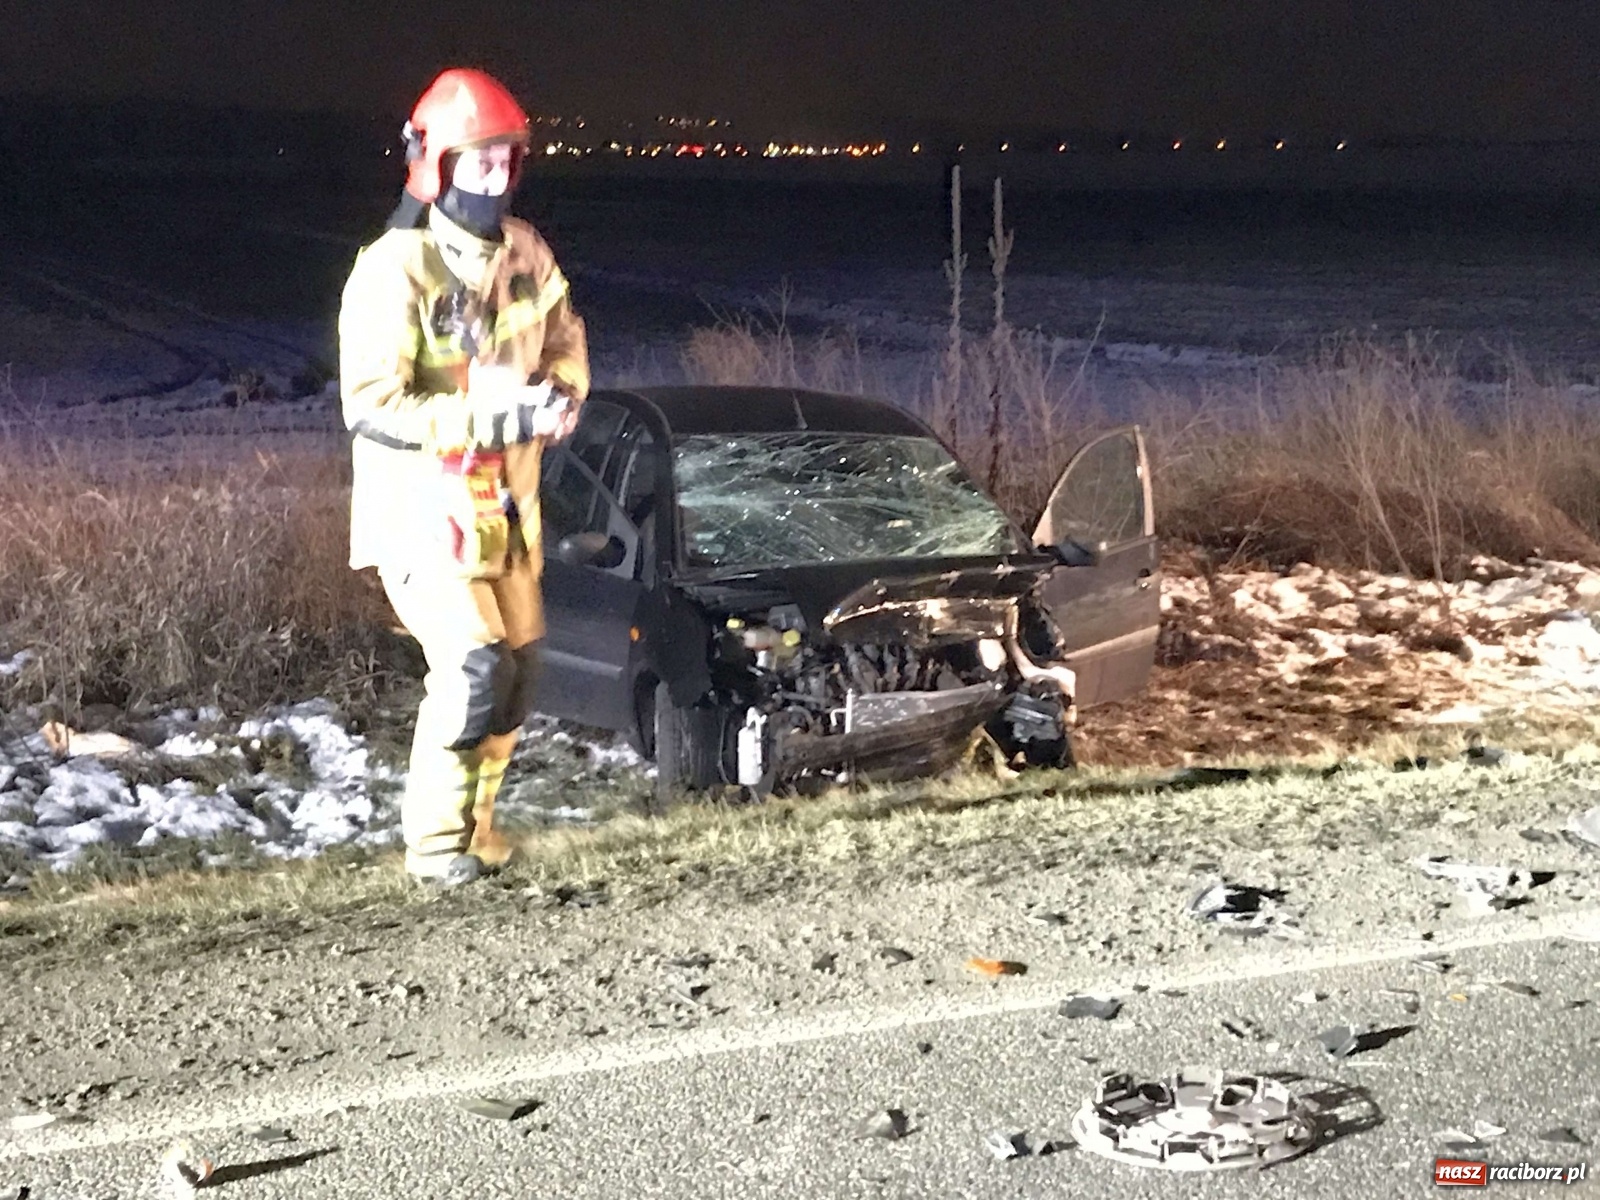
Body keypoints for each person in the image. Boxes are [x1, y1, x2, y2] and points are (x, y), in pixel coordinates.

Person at [338, 68, 590, 886]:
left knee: (518, 677)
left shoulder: (525, 253)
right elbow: (373, 406)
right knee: (475, 669)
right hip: (423, 515)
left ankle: (477, 833)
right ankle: (436, 847)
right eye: (477, 160)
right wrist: (501, 418)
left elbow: (563, 343)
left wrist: (561, 397)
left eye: (506, 160)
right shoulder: (393, 270)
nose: (494, 176)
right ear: (434, 163)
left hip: (507, 515)